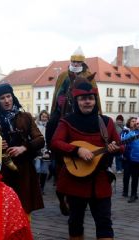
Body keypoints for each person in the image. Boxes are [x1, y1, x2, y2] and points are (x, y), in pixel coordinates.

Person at [51, 76, 124, 240]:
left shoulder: (106, 122)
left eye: (90, 98)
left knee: (104, 219)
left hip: (100, 179)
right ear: (76, 101)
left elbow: (120, 146)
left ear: (95, 100)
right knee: (75, 218)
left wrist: (114, 148)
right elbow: (56, 142)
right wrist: (76, 151)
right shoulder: (67, 121)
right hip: (75, 180)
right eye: (83, 99)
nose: (87, 102)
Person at [46, 47, 98, 216]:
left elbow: (93, 96)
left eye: (78, 62)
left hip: (82, 107)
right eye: (73, 61)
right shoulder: (63, 75)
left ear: (82, 62)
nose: (75, 64)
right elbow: (58, 93)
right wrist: (61, 102)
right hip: (64, 107)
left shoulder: (88, 75)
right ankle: (49, 149)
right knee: (52, 121)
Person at [0, 83, 45, 215]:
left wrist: (24, 147)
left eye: (8, 96)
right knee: (3, 209)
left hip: (24, 169)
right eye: (2, 98)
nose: (6, 100)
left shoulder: (25, 117)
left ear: (13, 97)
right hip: (2, 170)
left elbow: (40, 140)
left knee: (24, 208)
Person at [34, 110, 51, 194]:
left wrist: (49, 151)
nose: (44, 118)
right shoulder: (36, 125)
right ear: (40, 116)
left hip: (47, 151)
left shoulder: (50, 126)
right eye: (43, 116)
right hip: (37, 151)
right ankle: (36, 187)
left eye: (46, 117)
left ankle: (42, 188)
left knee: (44, 171)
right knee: (37, 169)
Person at [120, 117, 137, 197]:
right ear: (129, 122)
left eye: (135, 121)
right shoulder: (125, 132)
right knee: (126, 175)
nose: (134, 122)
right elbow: (121, 142)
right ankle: (125, 191)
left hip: (136, 157)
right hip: (127, 156)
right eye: (132, 121)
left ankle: (134, 193)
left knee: (135, 176)